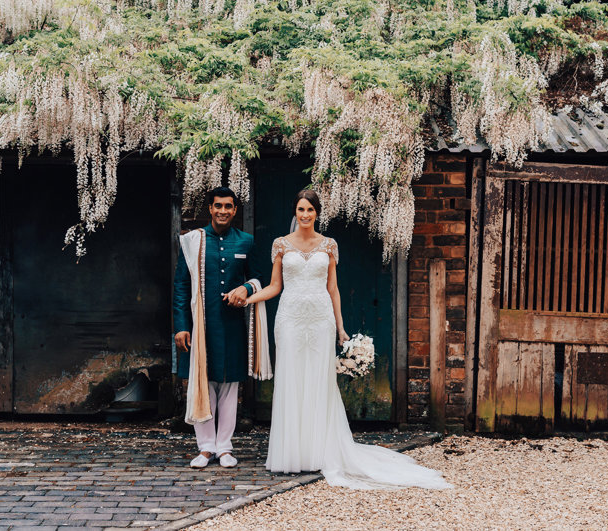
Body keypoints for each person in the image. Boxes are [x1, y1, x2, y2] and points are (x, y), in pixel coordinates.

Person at [246, 189, 452, 490]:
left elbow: (333, 289)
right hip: (289, 319)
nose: (305, 215)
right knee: (291, 379)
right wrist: (249, 298)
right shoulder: (280, 244)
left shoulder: (329, 245)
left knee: (320, 382)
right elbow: (275, 286)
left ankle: (319, 451)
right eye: (301, 209)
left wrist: (341, 328)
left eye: (310, 210)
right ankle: (292, 453)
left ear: (317, 213)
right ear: (295, 212)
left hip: (321, 320)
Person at [172, 186, 264, 469]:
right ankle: (205, 448)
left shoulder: (246, 241)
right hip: (200, 324)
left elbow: (259, 279)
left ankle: (224, 447)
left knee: (229, 386)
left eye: (228, 206)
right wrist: (181, 326)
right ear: (210, 209)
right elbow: (181, 286)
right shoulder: (193, 241)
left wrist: (246, 288)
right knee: (203, 382)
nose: (223, 211)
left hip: (232, 325)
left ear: (234, 210)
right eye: (218, 206)